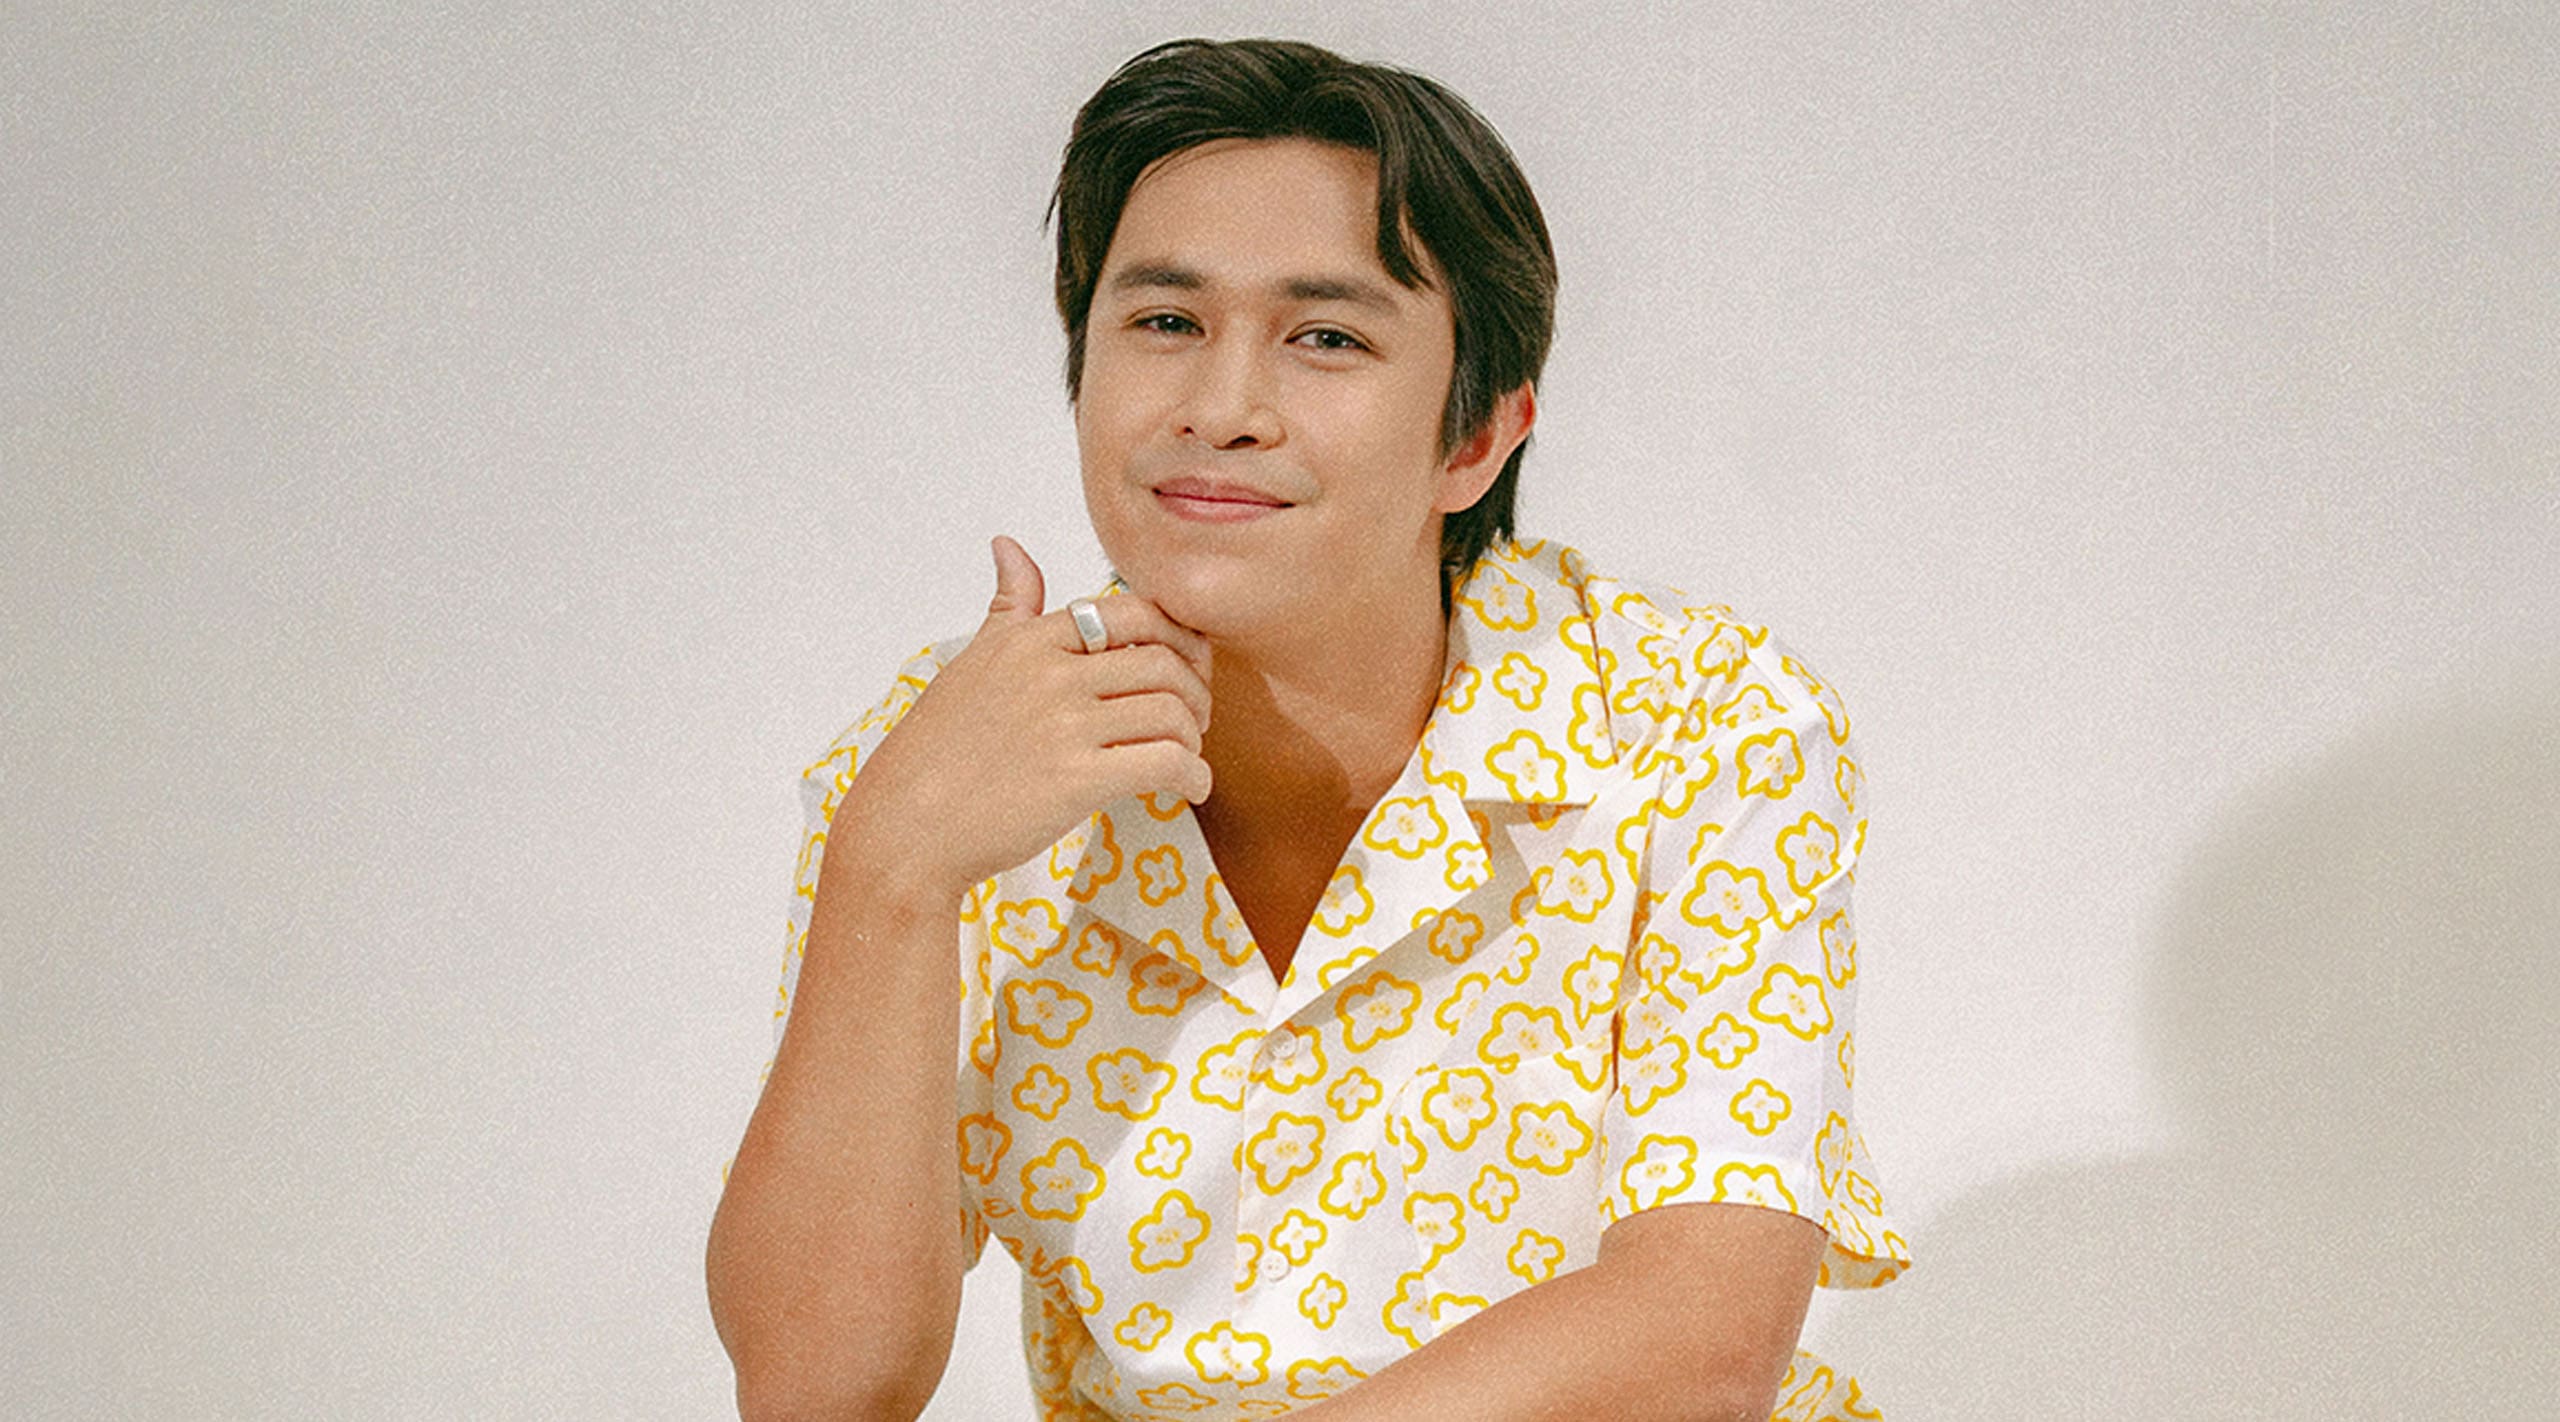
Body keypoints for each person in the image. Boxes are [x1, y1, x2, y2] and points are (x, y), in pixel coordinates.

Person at [707, 37, 1906, 1422]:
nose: (1221, 411)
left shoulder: (1700, 719)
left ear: (1477, 438)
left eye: (1326, 337)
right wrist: (893, 868)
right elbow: (815, 1387)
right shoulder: (950, 757)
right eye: (1166, 323)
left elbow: (1698, 1342)